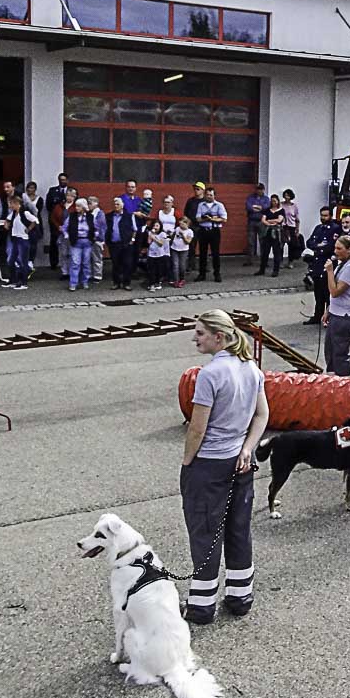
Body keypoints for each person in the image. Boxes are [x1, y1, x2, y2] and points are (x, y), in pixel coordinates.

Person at [181, 310, 271, 624]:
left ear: (218, 337)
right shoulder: (252, 368)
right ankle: (240, 595)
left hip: (210, 464)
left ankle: (202, 605)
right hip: (242, 462)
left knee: (206, 531)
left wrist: (187, 461)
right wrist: (248, 448)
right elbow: (262, 416)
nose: (195, 338)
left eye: (201, 333)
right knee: (238, 528)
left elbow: (197, 428)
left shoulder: (209, 375)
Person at [323, 234, 350, 377]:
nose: (335, 251)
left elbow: (335, 292)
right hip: (336, 313)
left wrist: (329, 271)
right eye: (335, 247)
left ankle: (344, 384)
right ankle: (332, 379)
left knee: (340, 353)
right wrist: (329, 310)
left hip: (346, 316)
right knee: (330, 349)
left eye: (339, 248)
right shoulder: (342, 263)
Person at [303, 206, 338, 325]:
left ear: (330, 216)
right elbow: (309, 242)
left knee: (327, 293)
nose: (323, 218)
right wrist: (318, 246)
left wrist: (318, 246)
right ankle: (317, 315)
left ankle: (329, 317)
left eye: (325, 215)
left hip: (327, 265)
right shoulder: (318, 228)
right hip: (317, 265)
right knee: (318, 293)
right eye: (321, 215)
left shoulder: (335, 229)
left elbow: (331, 246)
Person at [105, 197, 143, 291]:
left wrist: (132, 240)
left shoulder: (129, 216)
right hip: (114, 244)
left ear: (122, 205)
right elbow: (106, 229)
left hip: (126, 244)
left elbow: (134, 229)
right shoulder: (109, 216)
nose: (116, 206)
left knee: (127, 264)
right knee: (115, 264)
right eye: (114, 204)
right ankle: (116, 283)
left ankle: (126, 283)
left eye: (118, 204)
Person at [5, 195, 39, 289]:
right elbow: (7, 220)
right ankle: (13, 280)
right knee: (11, 260)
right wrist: (6, 224)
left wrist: (28, 229)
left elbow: (35, 220)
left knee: (22, 261)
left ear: (17, 204)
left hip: (23, 239)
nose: (10, 205)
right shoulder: (13, 214)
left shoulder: (25, 213)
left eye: (11, 203)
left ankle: (23, 282)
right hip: (15, 238)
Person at [64, 197, 97, 291]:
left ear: (83, 207)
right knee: (75, 263)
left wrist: (95, 235)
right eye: (76, 206)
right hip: (76, 242)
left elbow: (95, 228)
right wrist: (67, 235)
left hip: (87, 242)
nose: (76, 208)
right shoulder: (72, 216)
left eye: (78, 206)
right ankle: (73, 283)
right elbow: (64, 227)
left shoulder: (90, 217)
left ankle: (85, 281)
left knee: (86, 263)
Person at [194, 186, 227, 282]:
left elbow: (224, 219)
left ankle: (217, 274)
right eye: (207, 195)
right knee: (202, 253)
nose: (209, 197)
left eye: (211, 195)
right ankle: (201, 274)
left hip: (214, 230)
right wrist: (207, 218)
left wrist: (212, 219)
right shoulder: (201, 205)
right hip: (203, 230)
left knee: (215, 253)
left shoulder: (219, 205)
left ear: (214, 195)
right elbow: (198, 219)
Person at [44, 173, 69, 270]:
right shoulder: (52, 190)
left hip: (67, 221)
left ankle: (67, 265)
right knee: (54, 241)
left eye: (64, 180)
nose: (62, 181)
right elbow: (49, 205)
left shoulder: (71, 191)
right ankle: (53, 263)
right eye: (60, 179)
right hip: (55, 221)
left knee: (67, 242)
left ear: (67, 180)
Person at [255, 195, 285, 276]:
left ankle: (275, 270)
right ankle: (262, 269)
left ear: (278, 201)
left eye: (275, 201)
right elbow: (263, 220)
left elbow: (279, 220)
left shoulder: (281, 210)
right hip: (267, 232)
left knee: (276, 252)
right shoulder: (267, 210)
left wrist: (270, 220)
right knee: (265, 252)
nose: (273, 202)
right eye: (272, 201)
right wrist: (269, 222)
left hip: (276, 233)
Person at [183, 181, 207, 267]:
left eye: (198, 189)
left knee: (203, 246)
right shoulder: (190, 201)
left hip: (203, 226)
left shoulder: (206, 201)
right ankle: (191, 264)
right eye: (195, 189)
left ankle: (204, 265)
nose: (196, 190)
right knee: (191, 246)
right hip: (192, 226)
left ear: (203, 190)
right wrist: (187, 223)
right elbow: (186, 213)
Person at [144, 217, 171, 291]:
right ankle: (151, 284)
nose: (155, 227)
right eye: (154, 226)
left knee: (159, 270)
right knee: (151, 270)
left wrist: (154, 238)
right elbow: (149, 242)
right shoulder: (150, 233)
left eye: (157, 226)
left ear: (160, 227)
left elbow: (161, 244)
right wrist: (150, 236)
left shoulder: (163, 234)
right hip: (151, 254)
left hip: (160, 254)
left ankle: (157, 282)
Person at [245, 182, 270, 262]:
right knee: (250, 242)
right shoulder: (251, 197)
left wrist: (258, 207)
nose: (259, 191)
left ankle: (264, 260)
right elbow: (249, 207)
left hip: (261, 221)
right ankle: (250, 260)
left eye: (260, 189)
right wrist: (258, 208)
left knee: (263, 241)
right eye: (258, 189)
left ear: (263, 190)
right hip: (251, 221)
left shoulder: (266, 199)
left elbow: (266, 207)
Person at [170, 215, 194, 288]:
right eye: (180, 224)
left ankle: (182, 279)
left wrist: (183, 236)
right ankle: (176, 280)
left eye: (182, 224)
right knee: (175, 265)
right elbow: (173, 236)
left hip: (183, 250)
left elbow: (188, 242)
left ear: (187, 224)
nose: (180, 225)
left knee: (182, 265)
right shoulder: (177, 228)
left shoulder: (189, 232)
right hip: (174, 248)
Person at [280, 188, 301, 266]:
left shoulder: (294, 206)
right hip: (283, 226)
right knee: (281, 244)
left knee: (291, 245)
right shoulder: (281, 204)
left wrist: (297, 229)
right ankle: (280, 261)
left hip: (291, 226)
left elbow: (297, 218)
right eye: (285, 195)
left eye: (288, 195)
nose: (286, 197)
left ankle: (290, 261)